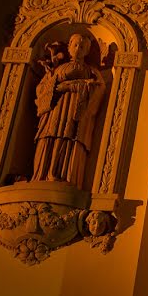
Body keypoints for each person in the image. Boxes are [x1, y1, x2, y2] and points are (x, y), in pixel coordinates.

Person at [32, 33, 105, 188]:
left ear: (87, 51)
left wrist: (74, 86)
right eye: (75, 45)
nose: (78, 49)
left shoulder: (90, 70)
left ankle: (62, 174)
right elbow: (41, 90)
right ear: (69, 47)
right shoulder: (58, 68)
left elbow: (98, 88)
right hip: (55, 109)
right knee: (49, 135)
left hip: (75, 111)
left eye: (82, 46)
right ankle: (42, 174)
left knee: (68, 136)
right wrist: (55, 85)